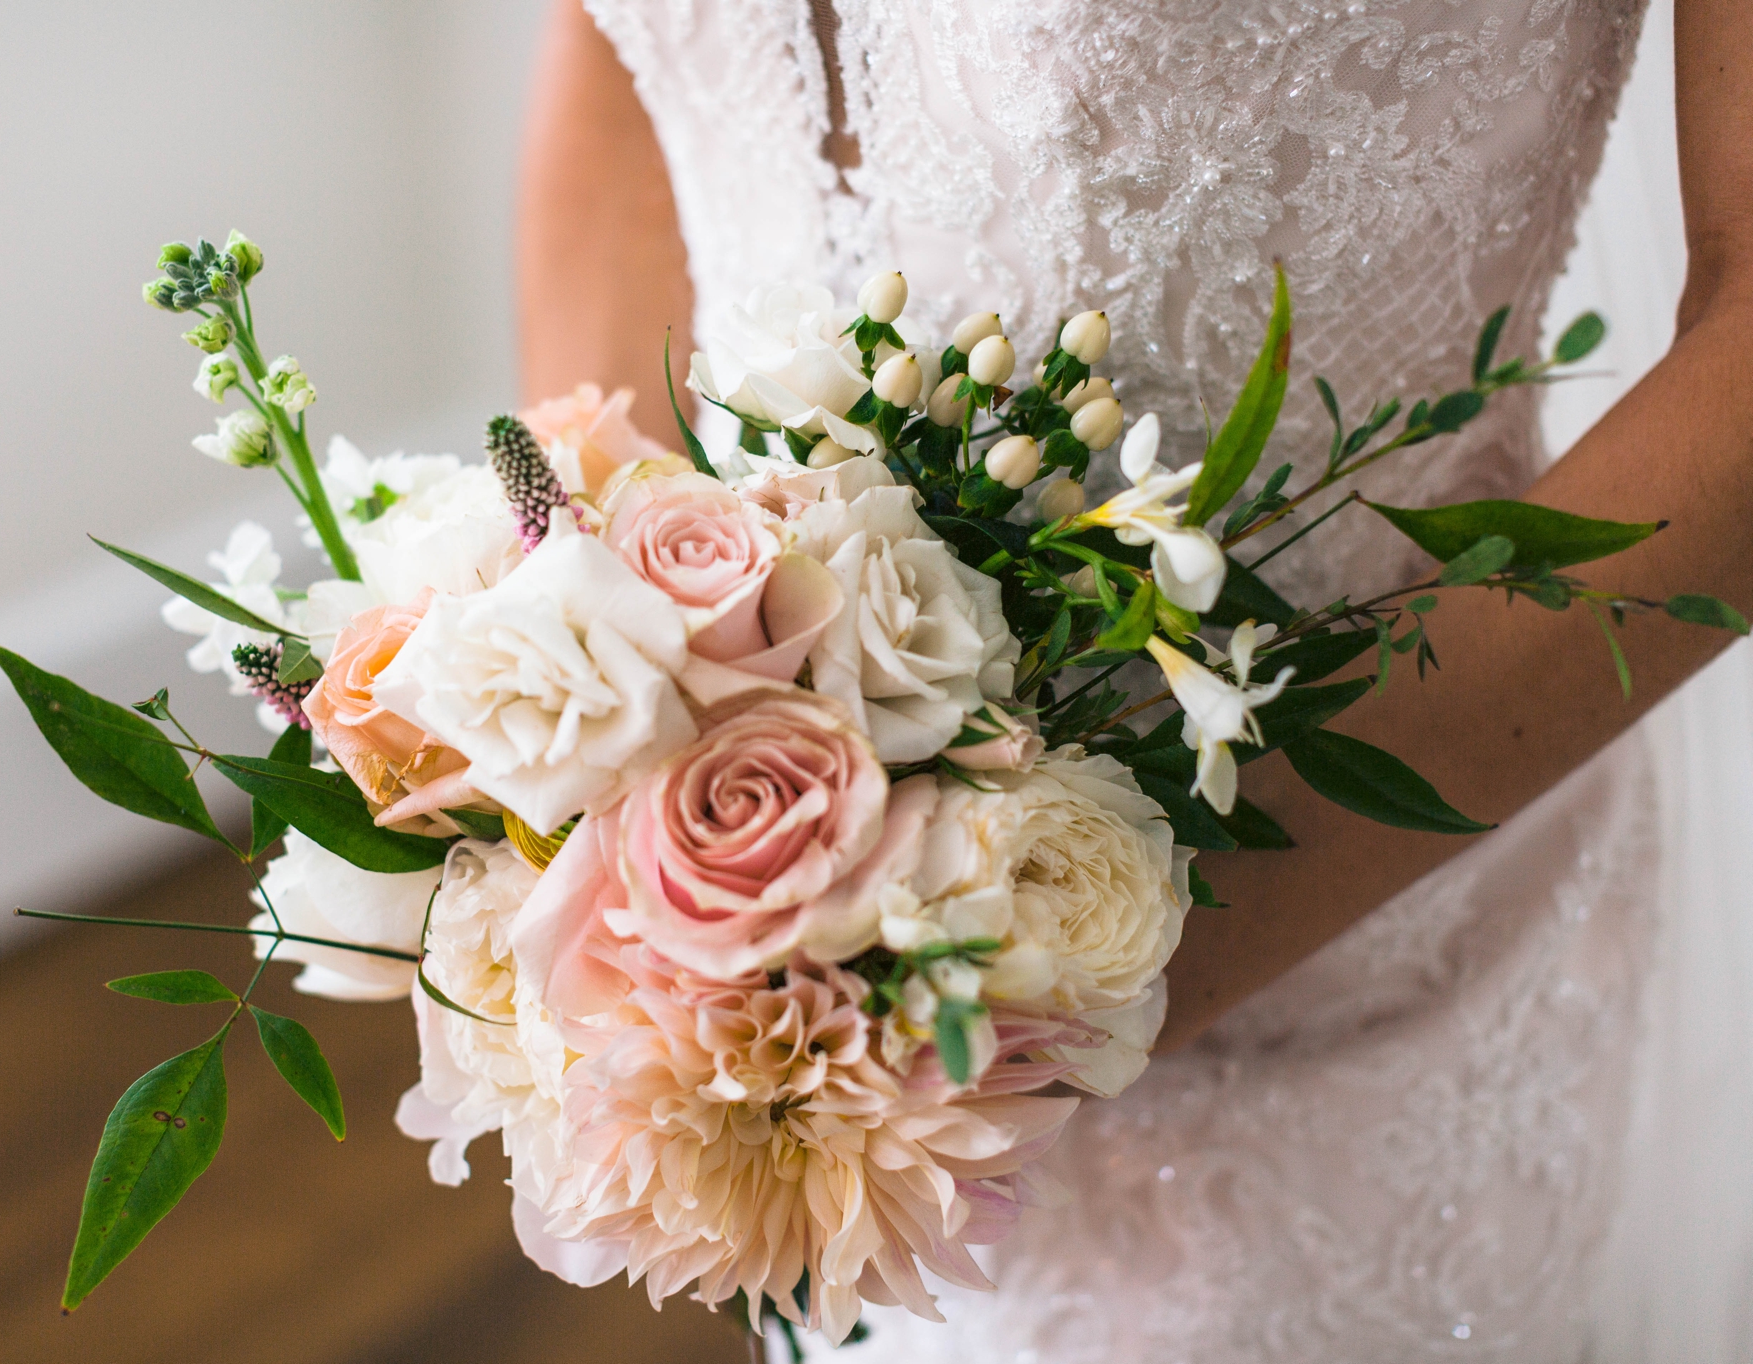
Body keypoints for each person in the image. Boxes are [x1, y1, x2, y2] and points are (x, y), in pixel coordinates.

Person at [514, 1, 1753, 1357]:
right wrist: (597, 716)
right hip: (782, 1014)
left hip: (1327, 938)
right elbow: (628, 88)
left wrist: (1066, 981)